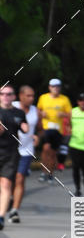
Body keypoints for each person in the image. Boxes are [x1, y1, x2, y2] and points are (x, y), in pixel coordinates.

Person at [8, 85, 42, 223]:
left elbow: (40, 129)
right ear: (21, 96)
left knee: (20, 178)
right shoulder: (10, 106)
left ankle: (14, 211)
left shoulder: (36, 111)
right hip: (9, 149)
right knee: (7, 181)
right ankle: (9, 197)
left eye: (33, 96)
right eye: (28, 96)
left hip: (26, 151)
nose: (31, 98)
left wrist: (38, 136)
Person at [0, 84, 28, 230]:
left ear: (14, 96)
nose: (6, 96)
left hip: (11, 153)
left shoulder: (19, 112)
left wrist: (25, 128)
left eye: (9, 94)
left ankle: (1, 217)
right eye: (3, 94)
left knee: (6, 185)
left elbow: (25, 127)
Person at [37, 79, 72, 182]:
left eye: (57, 86)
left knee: (52, 153)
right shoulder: (43, 97)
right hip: (46, 128)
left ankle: (50, 173)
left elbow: (71, 114)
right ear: (49, 87)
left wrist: (63, 114)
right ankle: (43, 172)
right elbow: (37, 110)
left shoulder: (64, 99)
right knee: (45, 149)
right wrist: (41, 113)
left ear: (60, 88)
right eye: (53, 86)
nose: (55, 88)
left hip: (58, 130)